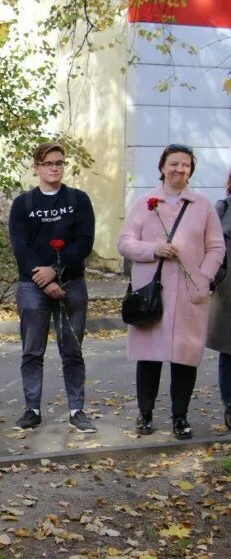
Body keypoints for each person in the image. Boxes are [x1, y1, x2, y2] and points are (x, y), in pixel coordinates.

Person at [119, 145, 224, 439]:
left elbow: (216, 247)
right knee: (149, 357)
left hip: (190, 293)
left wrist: (204, 277)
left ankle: (181, 418)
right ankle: (145, 415)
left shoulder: (202, 205)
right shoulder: (145, 203)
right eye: (174, 163)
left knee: (184, 357)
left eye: (186, 165)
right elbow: (125, 243)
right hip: (153, 293)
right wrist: (153, 249)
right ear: (163, 166)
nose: (180, 169)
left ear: (191, 169)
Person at [8, 142, 97, 433]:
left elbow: (84, 242)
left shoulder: (78, 200)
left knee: (72, 350)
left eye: (59, 162)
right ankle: (32, 409)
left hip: (71, 283)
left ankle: (76, 410)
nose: (55, 168)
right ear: (36, 167)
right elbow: (20, 247)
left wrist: (56, 272)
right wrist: (44, 280)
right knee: (32, 351)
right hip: (33, 287)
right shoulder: (23, 204)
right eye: (48, 163)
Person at [207, 170, 231, 431]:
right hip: (229, 291)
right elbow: (210, 245)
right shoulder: (223, 208)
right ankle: (229, 405)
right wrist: (217, 277)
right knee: (229, 351)